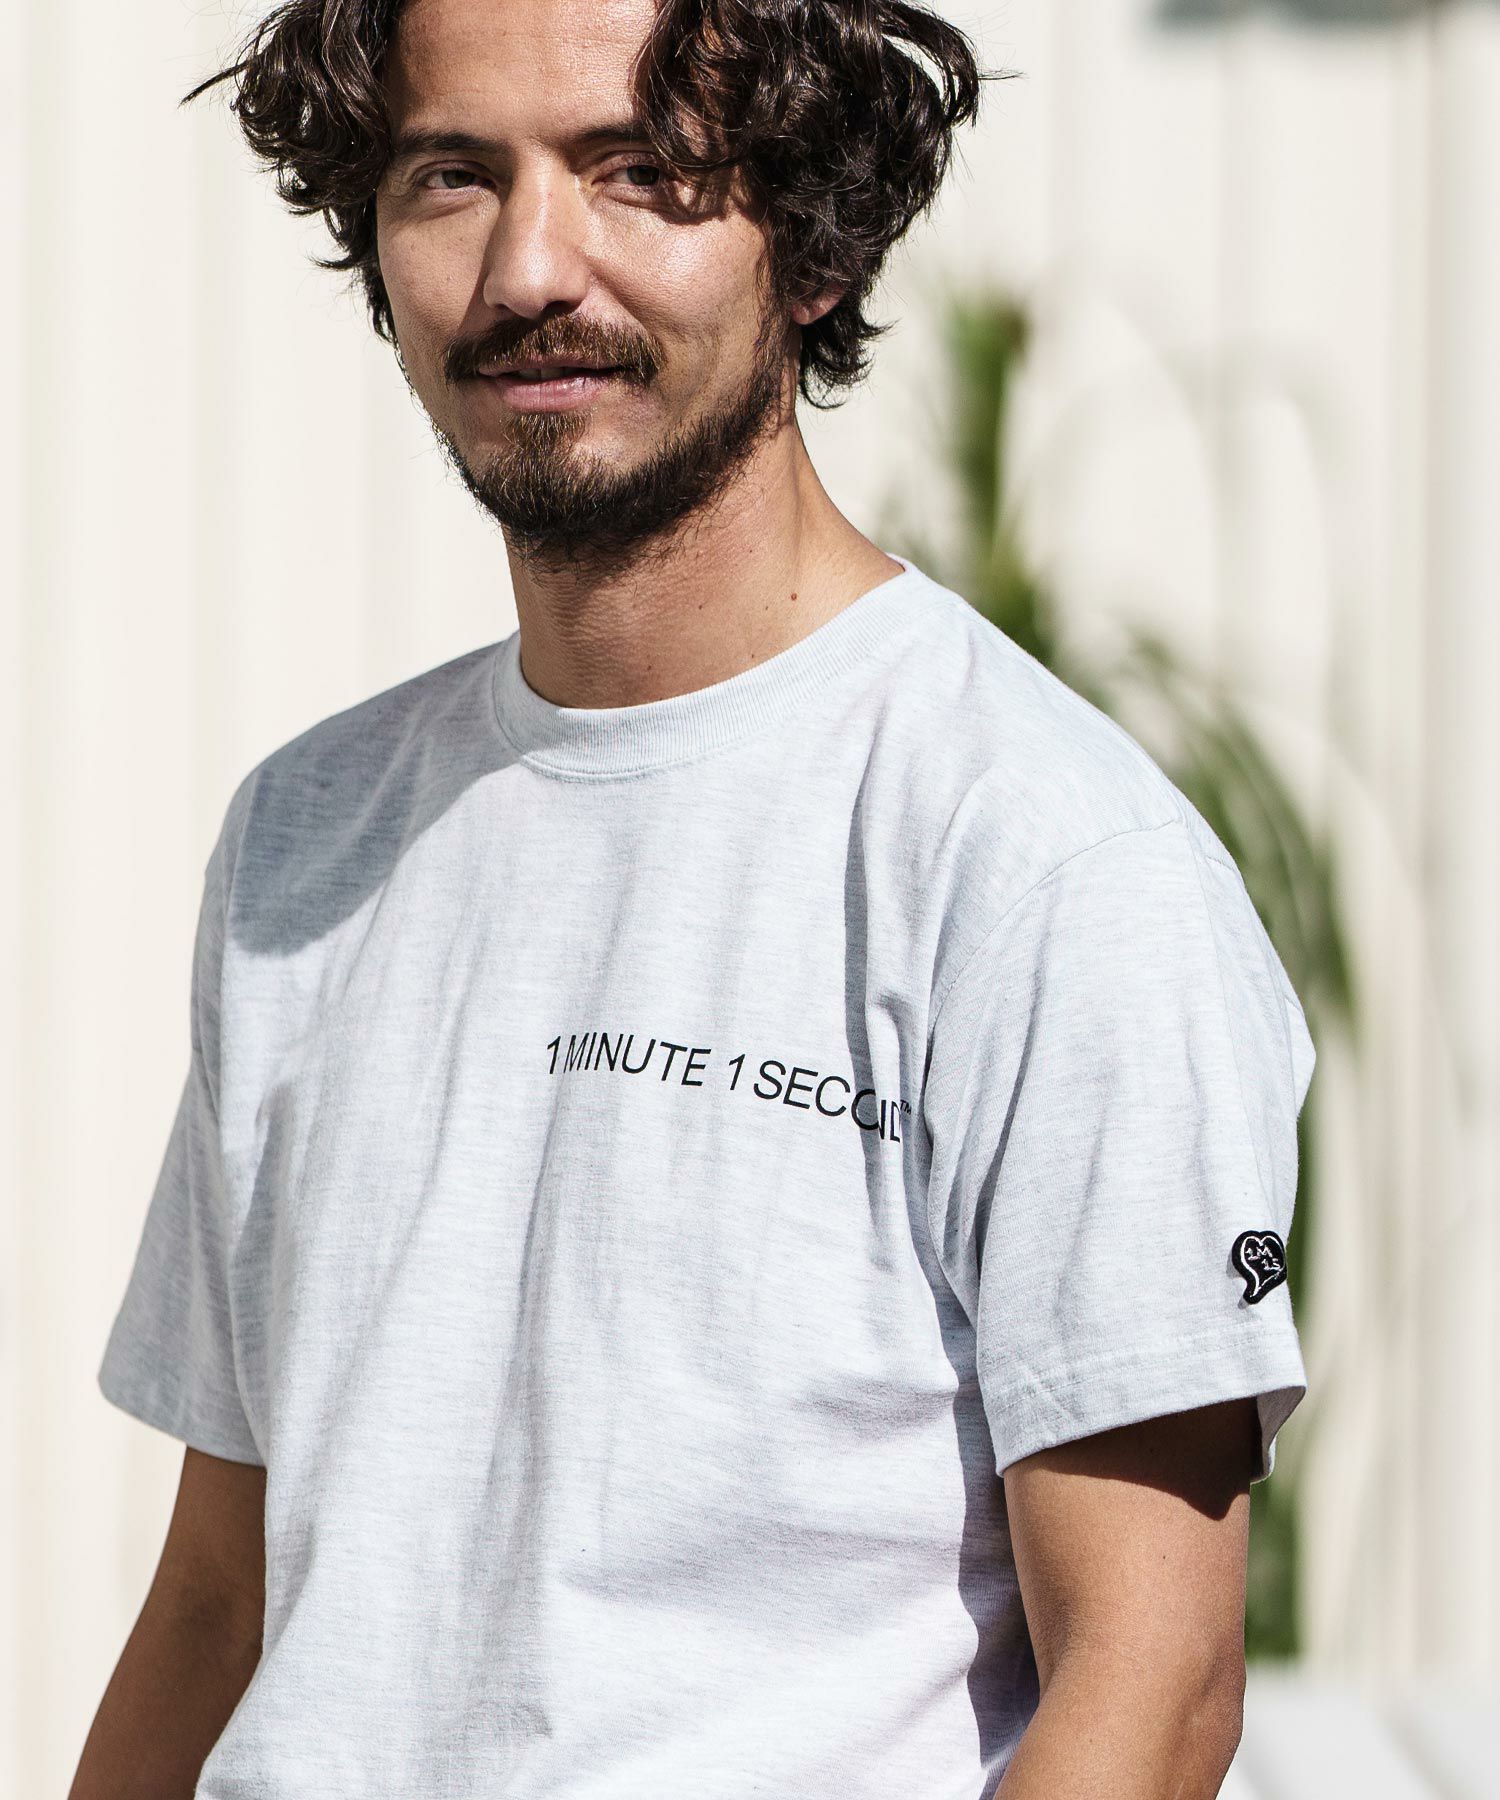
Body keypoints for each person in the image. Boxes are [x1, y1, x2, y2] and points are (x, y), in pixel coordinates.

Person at [71, 2, 1315, 1797]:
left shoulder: (1043, 859)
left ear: (812, 242)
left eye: (640, 172)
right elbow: (217, 1600)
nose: (528, 269)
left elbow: (1156, 1685)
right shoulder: (307, 835)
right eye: (451, 175)